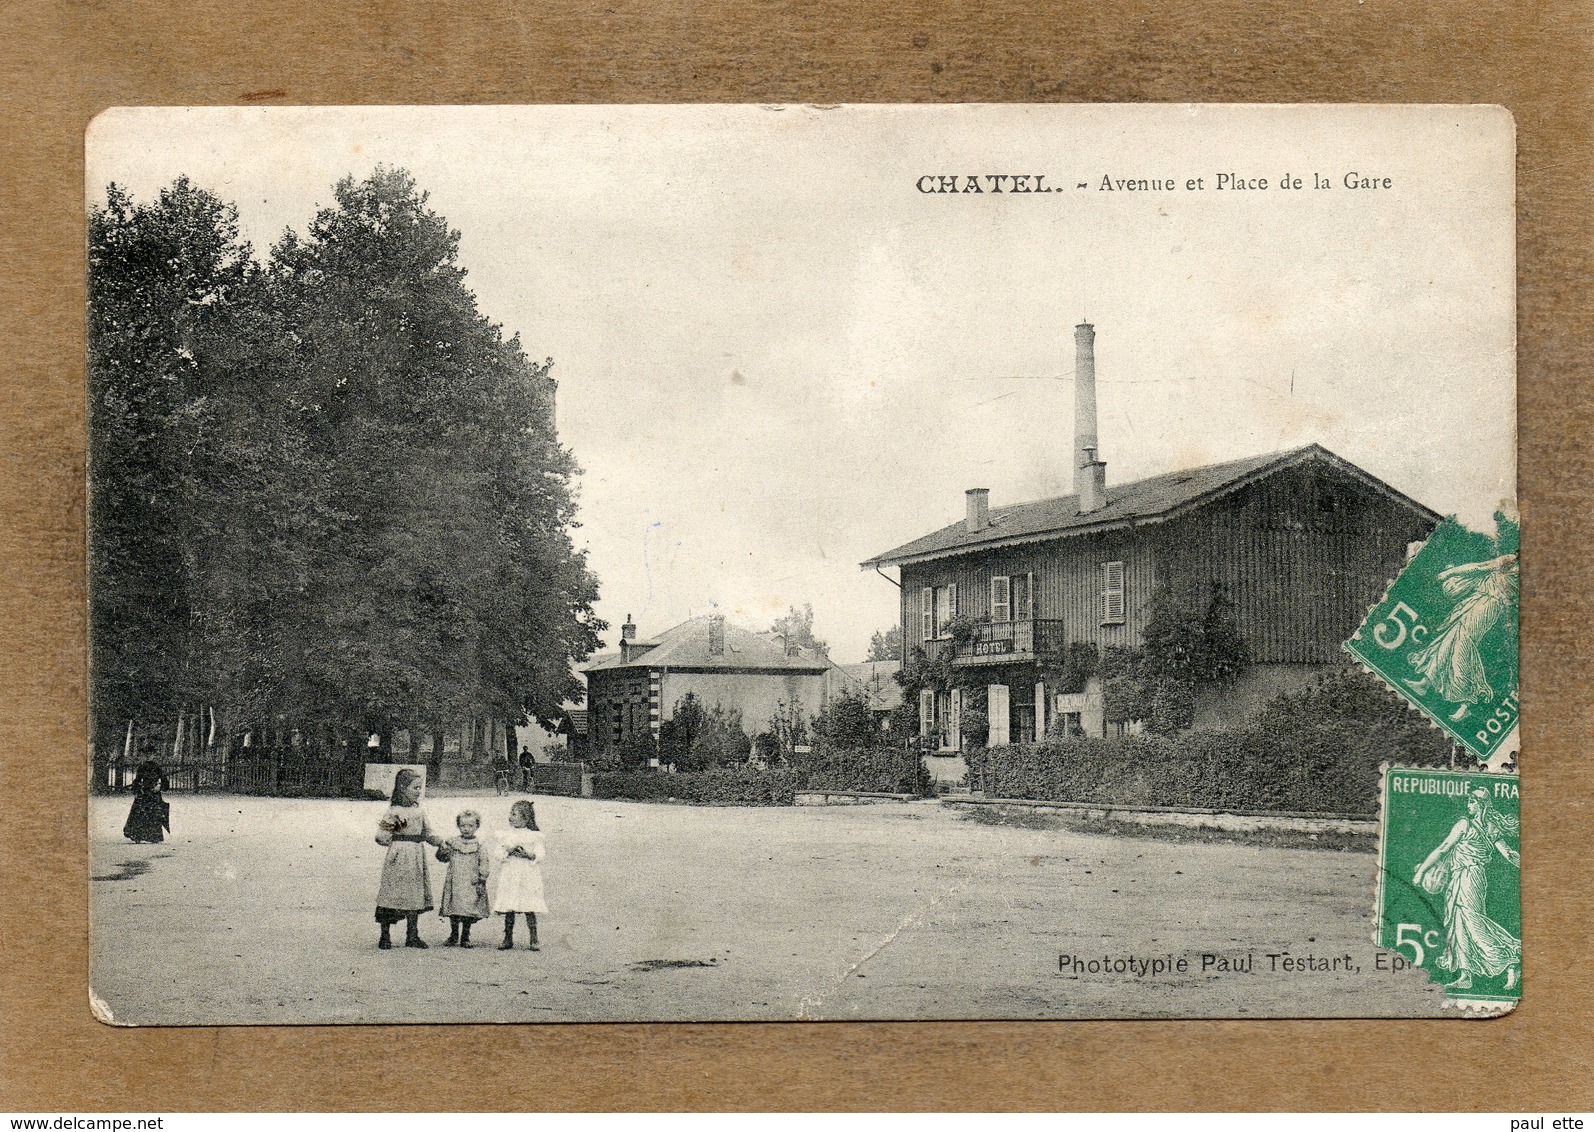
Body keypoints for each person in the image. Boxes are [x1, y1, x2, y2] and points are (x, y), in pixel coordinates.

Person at [1412, 786, 1521, 991]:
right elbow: (1509, 854)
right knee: (1458, 924)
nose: (1468, 805)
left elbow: (1444, 848)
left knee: (1471, 923)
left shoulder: (1465, 824)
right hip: (1465, 878)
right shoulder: (1492, 828)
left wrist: (1421, 872)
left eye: (1471, 802)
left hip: (1468, 878)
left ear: (1480, 805)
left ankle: (1510, 960)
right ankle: (1466, 974)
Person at [1405, 553, 1518, 721]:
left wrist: (1449, 573)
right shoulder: (1515, 562)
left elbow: (1480, 567)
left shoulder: (1516, 564)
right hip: (1480, 601)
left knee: (1461, 644)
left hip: (1487, 604)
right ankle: (1426, 682)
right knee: (1450, 637)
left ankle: (1467, 700)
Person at [373, 768, 444, 950]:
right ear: (403, 788)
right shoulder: (393, 811)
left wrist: (442, 843)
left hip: (415, 856)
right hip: (398, 856)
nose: (418, 791)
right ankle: (385, 936)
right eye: (415, 788)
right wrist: (396, 836)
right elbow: (381, 836)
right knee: (392, 893)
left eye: (420, 788)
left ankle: (412, 935)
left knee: (414, 894)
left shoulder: (419, 811)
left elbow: (428, 832)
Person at [491, 799, 547, 951]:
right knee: (510, 906)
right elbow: (497, 853)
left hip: (527, 874)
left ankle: (534, 938)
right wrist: (507, 851)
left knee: (529, 905)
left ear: (526, 818)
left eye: (514, 814)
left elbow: (540, 854)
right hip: (511, 873)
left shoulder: (534, 836)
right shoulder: (506, 835)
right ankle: (508, 937)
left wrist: (529, 854)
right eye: (510, 813)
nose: (510, 817)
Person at [436, 809, 491, 947]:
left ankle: (465, 936)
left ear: (477, 826)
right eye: (463, 826)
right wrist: (442, 850)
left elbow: (484, 862)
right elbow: (443, 858)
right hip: (455, 880)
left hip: (471, 882)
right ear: (458, 826)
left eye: (470, 826)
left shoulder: (479, 845)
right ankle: (453, 935)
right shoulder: (453, 842)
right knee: (454, 908)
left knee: (468, 908)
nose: (466, 829)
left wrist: (482, 878)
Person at [122, 759, 169, 843]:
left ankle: (154, 836)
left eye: (151, 754)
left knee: (154, 814)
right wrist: (137, 790)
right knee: (139, 813)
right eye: (146, 754)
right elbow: (137, 780)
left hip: (154, 793)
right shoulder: (142, 766)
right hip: (144, 792)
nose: (149, 756)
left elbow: (164, 780)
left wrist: (159, 786)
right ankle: (137, 835)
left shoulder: (157, 767)